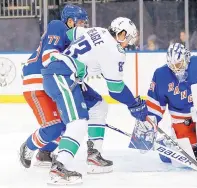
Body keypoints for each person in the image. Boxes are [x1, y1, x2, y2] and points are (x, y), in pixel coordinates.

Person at [41, 17, 148, 184]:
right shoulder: (115, 51)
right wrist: (133, 104)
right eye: (128, 39)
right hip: (62, 76)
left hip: (66, 75)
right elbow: (116, 89)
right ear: (121, 34)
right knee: (78, 123)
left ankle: (94, 157)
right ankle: (59, 167)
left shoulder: (98, 30)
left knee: (99, 106)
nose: (128, 44)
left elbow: (69, 34)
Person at [20, 4, 89, 169]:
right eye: (81, 23)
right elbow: (48, 57)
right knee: (54, 127)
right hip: (36, 81)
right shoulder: (58, 26)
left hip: (51, 81)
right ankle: (28, 147)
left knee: (67, 125)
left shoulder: (72, 40)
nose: (83, 27)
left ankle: (45, 153)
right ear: (70, 21)